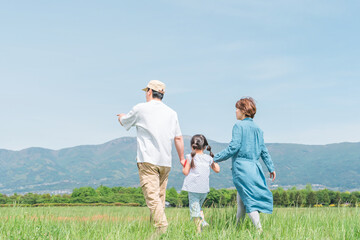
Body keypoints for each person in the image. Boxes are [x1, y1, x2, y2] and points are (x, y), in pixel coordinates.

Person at [117, 80, 185, 234]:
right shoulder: (172, 113)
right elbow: (179, 138)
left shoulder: (141, 108)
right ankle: (155, 234)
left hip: (148, 160)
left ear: (149, 91)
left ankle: (162, 227)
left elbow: (125, 122)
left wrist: (121, 117)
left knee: (152, 198)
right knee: (159, 199)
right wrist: (181, 158)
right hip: (166, 161)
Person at [213, 97, 276, 232]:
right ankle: (237, 231)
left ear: (243, 110)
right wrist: (271, 167)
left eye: (237, 109)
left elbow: (233, 148)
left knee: (249, 202)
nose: (235, 112)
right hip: (255, 168)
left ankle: (260, 232)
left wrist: (214, 158)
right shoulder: (258, 129)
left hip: (242, 169)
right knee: (241, 203)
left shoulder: (238, 126)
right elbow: (263, 150)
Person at [182, 134, 220, 233]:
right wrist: (212, 158)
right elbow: (217, 170)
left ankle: (199, 231)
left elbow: (185, 172)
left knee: (195, 212)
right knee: (198, 207)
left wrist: (185, 164)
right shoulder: (208, 158)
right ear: (204, 147)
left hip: (193, 188)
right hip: (204, 189)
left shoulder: (190, 157)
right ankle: (202, 222)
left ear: (192, 146)